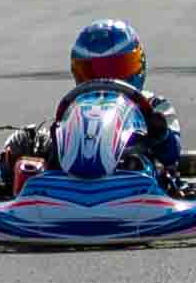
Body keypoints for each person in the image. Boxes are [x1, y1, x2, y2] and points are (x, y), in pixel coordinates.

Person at [48, 16, 187, 174]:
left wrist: (161, 135)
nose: (104, 80)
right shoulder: (74, 110)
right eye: (92, 72)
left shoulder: (154, 105)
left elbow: (172, 155)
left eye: (116, 69)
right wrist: (57, 140)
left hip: (135, 174)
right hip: (75, 174)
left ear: (139, 65)